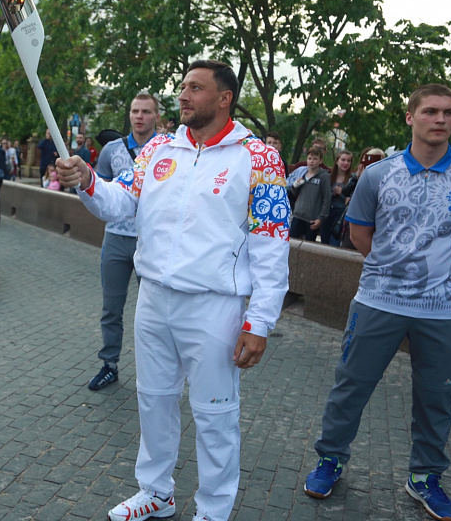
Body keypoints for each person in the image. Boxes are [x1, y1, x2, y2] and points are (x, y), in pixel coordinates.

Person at [57, 60, 290, 521]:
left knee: (215, 413)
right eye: (182, 87)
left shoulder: (258, 158)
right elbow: (119, 202)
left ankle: (213, 509)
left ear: (224, 98)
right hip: (154, 299)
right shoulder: (160, 149)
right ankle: (157, 492)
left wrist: (259, 321)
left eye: (196, 88)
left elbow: (272, 244)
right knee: (155, 399)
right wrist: (86, 180)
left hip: (214, 305)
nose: (183, 95)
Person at [303, 84, 451, 521]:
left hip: (446, 309)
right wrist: (399, 267)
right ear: (410, 117)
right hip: (380, 299)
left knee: (438, 396)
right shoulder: (379, 174)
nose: (440, 120)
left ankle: (425, 477)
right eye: (431, 111)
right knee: (351, 385)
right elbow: (360, 235)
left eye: (449, 113)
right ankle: (331, 459)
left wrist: (445, 269)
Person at [87, 93, 163, 391]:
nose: (139, 116)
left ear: (156, 116)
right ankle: (109, 364)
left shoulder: (167, 150)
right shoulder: (111, 150)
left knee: (155, 309)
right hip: (116, 238)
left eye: (146, 111)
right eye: (135, 111)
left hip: (152, 241)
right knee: (112, 307)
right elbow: (101, 191)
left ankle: (156, 368)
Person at [288, 148, 331, 241]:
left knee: (308, 246)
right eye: (310, 158)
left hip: (312, 218)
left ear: (320, 161)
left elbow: (327, 199)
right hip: (298, 215)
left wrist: (320, 218)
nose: (312, 161)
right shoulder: (303, 173)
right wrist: (295, 186)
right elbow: (294, 194)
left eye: (315, 159)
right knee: (291, 242)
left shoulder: (324, 176)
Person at [321, 150, 353, 246]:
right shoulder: (328, 177)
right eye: (343, 160)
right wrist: (332, 194)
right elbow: (322, 196)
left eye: (348, 161)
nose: (345, 163)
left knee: (334, 244)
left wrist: (341, 193)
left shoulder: (352, 179)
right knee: (323, 244)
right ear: (337, 161)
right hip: (327, 213)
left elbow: (349, 200)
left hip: (340, 215)